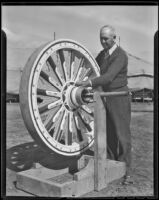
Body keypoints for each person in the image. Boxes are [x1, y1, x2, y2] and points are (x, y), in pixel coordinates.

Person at [76, 25, 133, 185]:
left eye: (106, 39)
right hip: (104, 98)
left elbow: (108, 77)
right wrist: (78, 77)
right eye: (101, 38)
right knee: (108, 134)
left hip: (119, 97)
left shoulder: (121, 55)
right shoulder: (102, 55)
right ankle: (110, 165)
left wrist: (88, 82)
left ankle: (126, 171)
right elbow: (92, 67)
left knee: (122, 135)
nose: (103, 41)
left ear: (114, 38)